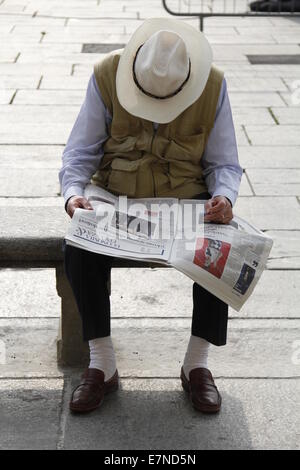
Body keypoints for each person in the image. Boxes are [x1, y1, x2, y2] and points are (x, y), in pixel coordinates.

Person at [59, 18, 242, 414]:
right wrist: (74, 197)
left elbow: (224, 163)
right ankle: (101, 363)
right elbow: (79, 153)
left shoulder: (213, 85)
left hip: (186, 199)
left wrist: (224, 197)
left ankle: (197, 363)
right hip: (116, 194)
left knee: (220, 247)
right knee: (79, 245)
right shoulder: (107, 74)